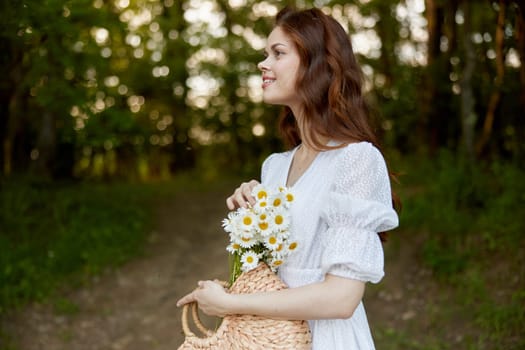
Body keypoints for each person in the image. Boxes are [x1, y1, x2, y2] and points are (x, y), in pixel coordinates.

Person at [177, 7, 399, 349]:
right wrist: (251, 217)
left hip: (328, 339)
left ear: (317, 65)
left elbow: (341, 299)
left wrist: (231, 305)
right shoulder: (275, 167)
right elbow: (271, 274)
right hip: (272, 339)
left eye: (277, 53)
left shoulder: (356, 159)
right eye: (266, 54)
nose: (263, 64)